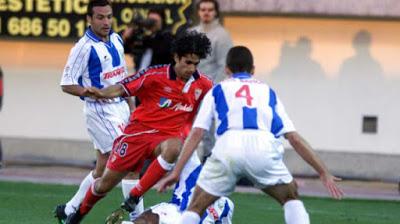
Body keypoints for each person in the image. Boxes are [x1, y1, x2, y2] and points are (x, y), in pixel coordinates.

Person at [159, 46, 344, 224]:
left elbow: (197, 133)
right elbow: (294, 138)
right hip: (262, 148)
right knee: (291, 196)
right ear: (253, 69)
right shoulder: (267, 91)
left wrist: (176, 172)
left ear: (227, 70)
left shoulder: (217, 90)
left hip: (227, 149)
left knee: (195, 207)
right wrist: (323, 172)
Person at [65, 31, 213, 224]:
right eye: (187, 62)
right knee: (103, 186)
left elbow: (218, 101)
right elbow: (121, 87)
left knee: (175, 147)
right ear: (176, 57)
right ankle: (78, 214)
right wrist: (101, 93)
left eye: (195, 64)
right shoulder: (154, 75)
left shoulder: (204, 84)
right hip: (136, 136)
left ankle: (135, 195)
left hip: (164, 139)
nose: (191, 68)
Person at [54, 1, 138, 223]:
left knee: (102, 167)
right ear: (89, 19)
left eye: (109, 16)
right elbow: (66, 83)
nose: (106, 22)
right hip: (100, 111)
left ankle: (69, 210)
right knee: (129, 162)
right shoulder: (83, 47)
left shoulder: (117, 39)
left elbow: (122, 78)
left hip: (120, 107)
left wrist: (131, 107)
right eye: (100, 17)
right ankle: (139, 218)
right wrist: (90, 92)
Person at [108, 154, 234, 224]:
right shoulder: (194, 168)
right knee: (147, 220)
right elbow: (185, 138)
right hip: (174, 210)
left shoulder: (226, 204)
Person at [190, 0, 233, 162]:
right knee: (188, 128)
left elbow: (224, 66)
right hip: (190, 89)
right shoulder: (192, 33)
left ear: (215, 12)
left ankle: (210, 163)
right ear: (198, 12)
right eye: (203, 9)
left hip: (211, 90)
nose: (206, 13)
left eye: (210, 9)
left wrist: (212, 90)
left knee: (208, 131)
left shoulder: (222, 35)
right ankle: (187, 165)